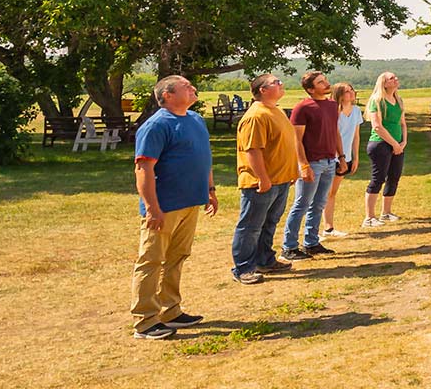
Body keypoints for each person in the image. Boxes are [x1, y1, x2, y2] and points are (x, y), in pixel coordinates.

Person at [129, 75, 217, 339]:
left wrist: (210, 190)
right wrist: (152, 208)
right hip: (165, 206)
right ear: (167, 95)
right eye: (186, 86)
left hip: (191, 202)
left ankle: (170, 310)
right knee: (152, 260)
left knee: (177, 257)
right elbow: (144, 168)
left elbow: (204, 158)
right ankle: (145, 321)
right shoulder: (156, 126)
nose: (193, 88)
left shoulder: (195, 120)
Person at [231, 74, 305, 285]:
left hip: (280, 180)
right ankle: (243, 268)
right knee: (251, 226)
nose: (281, 84)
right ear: (262, 90)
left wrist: (290, 172)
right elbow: (253, 150)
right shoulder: (256, 115)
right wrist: (262, 178)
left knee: (269, 223)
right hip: (262, 182)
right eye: (276, 82)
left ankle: (265, 259)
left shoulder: (276, 110)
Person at [279, 71, 340, 261]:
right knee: (302, 204)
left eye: (325, 80)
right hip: (312, 162)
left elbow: (335, 131)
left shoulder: (331, 105)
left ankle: (311, 242)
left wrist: (342, 156)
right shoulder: (302, 108)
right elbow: (296, 140)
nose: (326, 84)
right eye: (321, 82)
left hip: (330, 161)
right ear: (311, 89)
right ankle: (289, 246)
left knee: (319, 203)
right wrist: (302, 165)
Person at [363, 72, 407, 228]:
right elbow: (377, 126)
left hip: (397, 144)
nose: (396, 80)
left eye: (396, 77)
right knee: (378, 179)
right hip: (380, 144)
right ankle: (369, 218)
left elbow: (402, 123)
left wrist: (403, 142)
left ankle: (386, 212)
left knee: (394, 177)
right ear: (384, 83)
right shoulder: (377, 101)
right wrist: (394, 144)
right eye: (391, 78)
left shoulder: (398, 100)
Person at [322, 83, 364, 237]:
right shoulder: (333, 111)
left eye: (352, 89)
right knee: (325, 192)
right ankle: (326, 227)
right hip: (331, 157)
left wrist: (356, 157)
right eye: (347, 91)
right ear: (339, 94)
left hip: (346, 156)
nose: (352, 93)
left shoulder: (357, 111)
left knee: (332, 192)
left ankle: (329, 227)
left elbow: (356, 136)